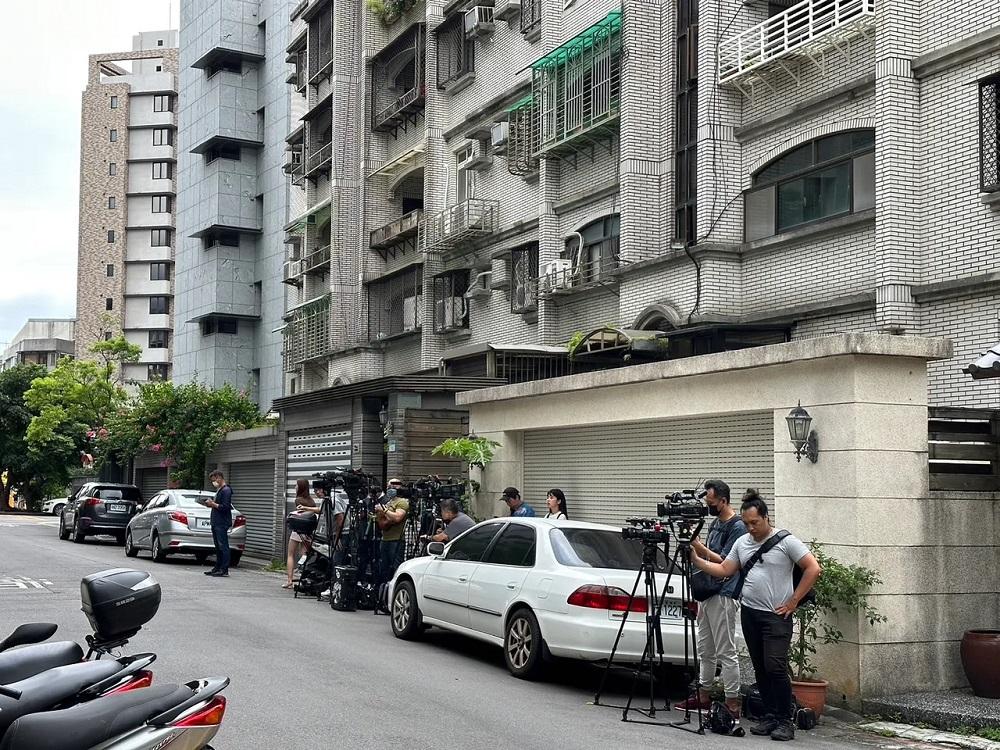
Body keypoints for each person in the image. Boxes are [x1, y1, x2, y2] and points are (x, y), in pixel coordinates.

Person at [690, 491, 822, 742]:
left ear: (766, 518)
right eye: (747, 523)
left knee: (775, 665)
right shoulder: (742, 543)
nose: (751, 528)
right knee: (760, 666)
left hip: (776, 615)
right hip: (750, 612)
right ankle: (770, 715)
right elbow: (725, 569)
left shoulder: (786, 541)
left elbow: (813, 568)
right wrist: (697, 560)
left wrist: (794, 601)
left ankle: (785, 719)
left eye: (755, 522)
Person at [676, 479, 746, 718]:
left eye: (712, 502)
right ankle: (703, 695)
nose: (708, 506)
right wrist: (696, 544)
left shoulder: (738, 527)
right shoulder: (716, 523)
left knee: (726, 650)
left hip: (724, 592)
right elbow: (710, 556)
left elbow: (726, 562)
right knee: (705, 648)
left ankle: (732, 703)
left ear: (723, 501)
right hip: (707, 590)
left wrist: (698, 547)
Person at [375, 480, 409, 595]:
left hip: (396, 540)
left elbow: (397, 518)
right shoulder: (389, 502)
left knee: (396, 567)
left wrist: (384, 511)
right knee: (384, 568)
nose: (391, 488)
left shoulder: (402, 502)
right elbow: (382, 523)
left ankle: (395, 592)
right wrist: (386, 515)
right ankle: (383, 593)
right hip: (385, 539)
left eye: (394, 486)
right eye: (389, 486)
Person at [284, 479, 317, 589]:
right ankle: (304, 580)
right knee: (304, 555)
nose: (295, 487)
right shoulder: (311, 501)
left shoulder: (298, 500)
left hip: (298, 530)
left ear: (300, 487)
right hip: (308, 531)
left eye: (296, 485)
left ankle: (290, 580)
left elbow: (299, 515)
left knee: (290, 554)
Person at [205, 470, 233, 577]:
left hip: (222, 522)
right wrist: (211, 504)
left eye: (214, 480)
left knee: (223, 546)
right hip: (216, 521)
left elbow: (225, 507)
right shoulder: (219, 490)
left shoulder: (226, 490)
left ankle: (224, 569)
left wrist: (213, 504)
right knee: (218, 546)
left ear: (219, 477)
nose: (214, 483)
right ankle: (217, 567)